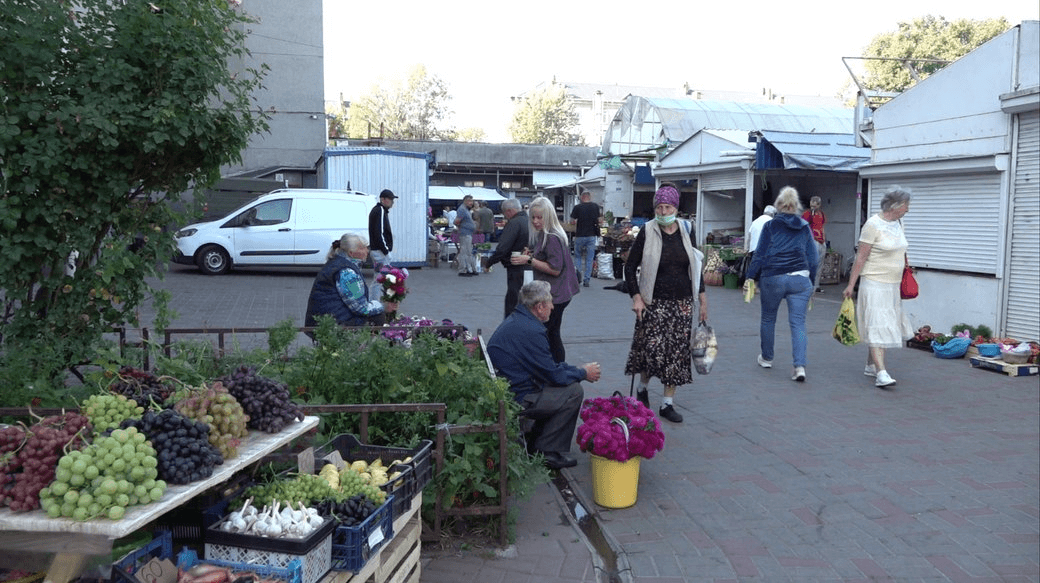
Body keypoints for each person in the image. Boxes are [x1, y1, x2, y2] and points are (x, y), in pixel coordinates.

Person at [486, 280, 601, 470]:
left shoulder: (520, 320)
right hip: (518, 396)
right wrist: (582, 373)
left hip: (512, 386)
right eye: (550, 303)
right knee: (573, 391)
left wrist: (577, 370)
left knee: (567, 384)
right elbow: (553, 375)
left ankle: (541, 439)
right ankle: (547, 451)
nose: (553, 307)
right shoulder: (531, 330)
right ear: (539, 307)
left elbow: (548, 367)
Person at [623, 183, 708, 424]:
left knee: (676, 354)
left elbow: (696, 267)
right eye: (659, 207)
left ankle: (667, 403)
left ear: (676, 208)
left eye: (667, 207)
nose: (662, 212)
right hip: (653, 302)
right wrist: (636, 297)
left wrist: (702, 299)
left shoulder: (686, 229)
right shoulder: (647, 231)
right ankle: (642, 388)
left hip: (682, 304)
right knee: (651, 351)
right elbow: (630, 267)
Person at [745, 187, 818, 382]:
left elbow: (760, 254)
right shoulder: (804, 226)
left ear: (778, 205)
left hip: (773, 278)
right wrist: (811, 282)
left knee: (768, 319)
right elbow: (813, 257)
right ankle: (799, 366)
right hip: (800, 279)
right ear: (797, 207)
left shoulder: (770, 226)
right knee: (798, 323)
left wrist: (750, 276)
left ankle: (767, 357)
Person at [843, 186, 914, 388]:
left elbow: (902, 251)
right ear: (896, 205)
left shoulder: (900, 223)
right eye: (906, 205)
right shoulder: (872, 225)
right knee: (877, 323)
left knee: (882, 323)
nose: (908, 209)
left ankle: (870, 365)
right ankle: (881, 372)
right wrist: (851, 285)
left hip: (892, 284)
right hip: (873, 282)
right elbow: (861, 257)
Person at [512, 196, 580, 363]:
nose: (535, 221)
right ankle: (555, 368)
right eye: (533, 217)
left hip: (556, 294)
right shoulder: (549, 233)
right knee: (551, 332)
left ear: (548, 216)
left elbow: (555, 269)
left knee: (550, 333)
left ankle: (555, 368)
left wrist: (529, 260)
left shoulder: (551, 237)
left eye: (539, 217)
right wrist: (534, 255)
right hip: (560, 292)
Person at [304, 233, 394, 329]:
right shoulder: (347, 272)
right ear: (352, 253)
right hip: (332, 324)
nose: (367, 251)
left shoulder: (337, 262)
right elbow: (361, 308)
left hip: (322, 319)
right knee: (378, 316)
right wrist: (384, 306)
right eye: (363, 248)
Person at [487, 198, 530, 318]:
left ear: (509, 211)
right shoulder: (527, 220)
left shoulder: (514, 223)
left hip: (515, 266)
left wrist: (489, 262)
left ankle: (510, 325)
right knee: (525, 298)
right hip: (528, 265)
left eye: (504, 213)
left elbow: (502, 248)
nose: (505, 216)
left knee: (513, 299)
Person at [569, 190, 602, 287]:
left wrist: (575, 222)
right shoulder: (595, 207)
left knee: (578, 257)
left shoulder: (577, 207)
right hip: (591, 236)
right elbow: (599, 221)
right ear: (589, 196)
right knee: (589, 258)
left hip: (579, 236)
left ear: (582, 197)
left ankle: (578, 277)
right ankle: (587, 280)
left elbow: (572, 221)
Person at [368, 189, 396, 292]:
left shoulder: (379, 210)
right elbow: (379, 233)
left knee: (378, 279)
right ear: (383, 199)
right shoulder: (380, 210)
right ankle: (375, 303)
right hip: (380, 253)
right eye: (390, 199)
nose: (392, 202)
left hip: (378, 251)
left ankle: (374, 301)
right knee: (380, 279)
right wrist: (386, 251)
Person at [802, 196, 827, 293]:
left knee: (819, 265)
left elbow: (822, 226)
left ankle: (816, 285)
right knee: (811, 263)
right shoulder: (807, 214)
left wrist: (824, 239)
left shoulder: (822, 214)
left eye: (815, 205)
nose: (813, 207)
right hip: (812, 241)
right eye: (811, 205)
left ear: (819, 205)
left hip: (821, 241)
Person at [454, 195, 477, 276]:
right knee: (464, 252)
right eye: (470, 201)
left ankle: (469, 269)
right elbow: (457, 221)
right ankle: (463, 270)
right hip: (465, 233)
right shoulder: (462, 210)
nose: (472, 203)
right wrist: (463, 226)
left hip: (468, 233)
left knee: (468, 252)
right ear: (466, 201)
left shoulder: (466, 210)